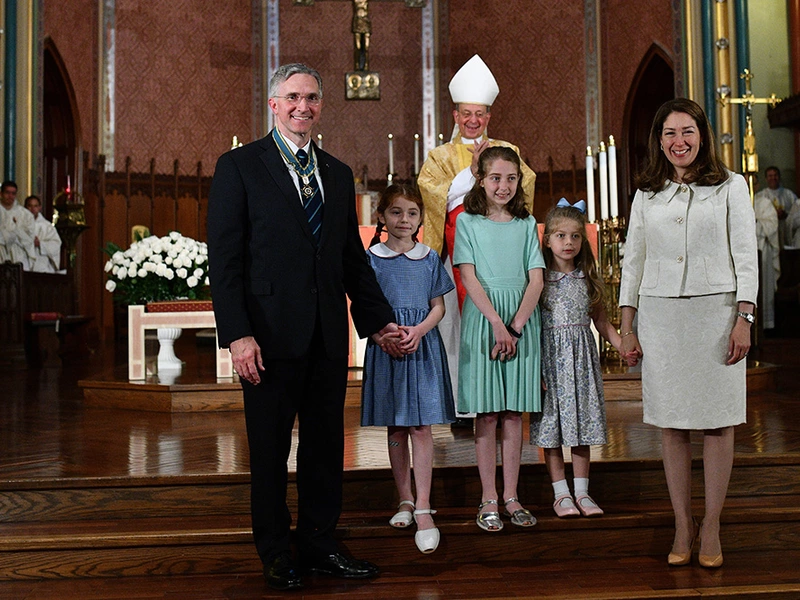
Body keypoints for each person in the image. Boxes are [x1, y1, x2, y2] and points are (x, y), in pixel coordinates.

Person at [207, 63, 400, 592]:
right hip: (266, 338)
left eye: (312, 98)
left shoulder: (336, 174)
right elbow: (224, 262)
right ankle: (274, 549)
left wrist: (377, 321)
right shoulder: (239, 167)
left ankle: (319, 542)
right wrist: (237, 334)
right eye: (292, 97)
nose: (303, 107)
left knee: (322, 447)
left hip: (325, 336)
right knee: (269, 449)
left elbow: (350, 260)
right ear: (273, 104)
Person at [619, 98, 758, 569]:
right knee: (672, 423)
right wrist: (627, 323)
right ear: (659, 141)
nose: (679, 142)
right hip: (661, 317)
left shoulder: (731, 187)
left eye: (688, 132)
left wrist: (745, 316)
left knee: (719, 420)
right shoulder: (646, 195)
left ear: (702, 135)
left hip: (716, 315)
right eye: (670, 134)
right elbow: (632, 261)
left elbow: (746, 253)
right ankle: (683, 522)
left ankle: (713, 523)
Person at [417, 54, 536, 427]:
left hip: (500, 255)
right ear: (455, 115)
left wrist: (485, 174)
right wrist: (470, 175)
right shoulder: (439, 156)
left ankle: (505, 398)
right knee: (456, 327)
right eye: (466, 113)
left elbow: (524, 189)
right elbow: (431, 195)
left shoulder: (507, 151)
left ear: (489, 116)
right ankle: (463, 404)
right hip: (458, 250)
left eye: (480, 114)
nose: (473, 120)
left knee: (501, 316)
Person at [453, 146, 544, 532]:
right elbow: (468, 277)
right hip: (485, 319)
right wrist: (496, 322)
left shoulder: (526, 224)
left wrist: (517, 326)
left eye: (511, 178)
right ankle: (488, 496)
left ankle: (512, 495)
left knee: (513, 415)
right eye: (495, 178)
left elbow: (536, 278)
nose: (503, 186)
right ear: (482, 180)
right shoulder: (468, 223)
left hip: (521, 320)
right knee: (488, 414)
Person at [361, 184, 455, 554]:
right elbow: (363, 305)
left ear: (420, 218)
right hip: (387, 349)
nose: (404, 220)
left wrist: (418, 330)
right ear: (381, 216)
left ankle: (425, 504)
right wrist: (382, 332)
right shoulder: (371, 259)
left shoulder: (429, 258)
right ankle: (404, 497)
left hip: (421, 347)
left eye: (412, 213)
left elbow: (438, 307)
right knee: (397, 423)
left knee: (421, 425)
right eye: (396, 212)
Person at [531, 200, 638, 519]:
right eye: (561, 236)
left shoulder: (587, 279)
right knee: (551, 427)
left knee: (582, 425)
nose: (568, 243)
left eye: (575, 236)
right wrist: (533, 370)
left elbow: (603, 323)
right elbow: (533, 325)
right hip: (550, 360)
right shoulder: (538, 280)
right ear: (547, 239)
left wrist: (623, 345)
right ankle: (560, 494)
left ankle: (582, 492)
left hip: (581, 363)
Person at [751, 176, 780, 329]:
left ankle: (765, 326)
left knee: (763, 289)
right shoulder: (737, 200)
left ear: (757, 185)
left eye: (753, 182)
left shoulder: (764, 202)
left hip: (763, 250)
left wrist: (755, 224)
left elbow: (772, 224)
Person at [755, 166, 797, 248]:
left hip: (785, 230)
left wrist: (786, 214)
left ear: (779, 177)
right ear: (766, 178)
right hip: (769, 235)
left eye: (775, 175)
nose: (773, 178)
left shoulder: (789, 195)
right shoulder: (760, 196)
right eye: (770, 176)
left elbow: (796, 214)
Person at [0, 180, 36, 269]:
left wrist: (14, 234)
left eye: (13, 193)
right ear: (1, 194)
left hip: (18, 254)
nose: (10, 196)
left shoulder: (25, 214)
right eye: (7, 193)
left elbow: (30, 237)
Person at [24, 195, 63, 273]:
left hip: (41, 265)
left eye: (35, 206)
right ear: (25, 207)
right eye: (30, 206)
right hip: (24, 264)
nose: (32, 209)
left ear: (40, 208)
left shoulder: (47, 226)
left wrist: (40, 244)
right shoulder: (19, 224)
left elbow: (56, 244)